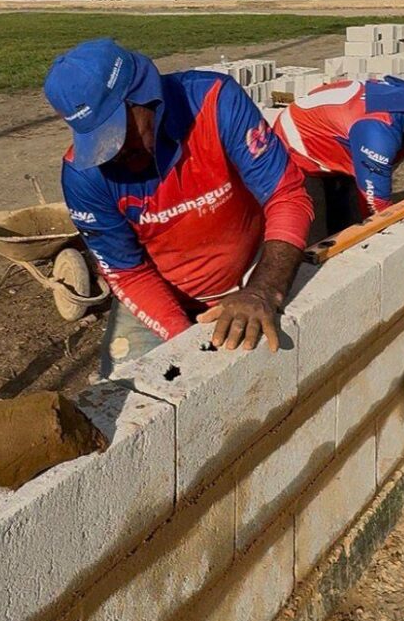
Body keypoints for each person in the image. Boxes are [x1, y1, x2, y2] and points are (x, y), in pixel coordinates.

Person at [43, 39, 313, 378]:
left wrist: (263, 288)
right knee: (131, 405)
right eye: (97, 142)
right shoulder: (84, 177)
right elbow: (127, 271)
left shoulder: (213, 102)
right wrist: (185, 341)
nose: (114, 154)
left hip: (252, 277)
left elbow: (286, 194)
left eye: (118, 134)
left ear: (143, 97)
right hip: (159, 296)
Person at [273, 65, 404, 230]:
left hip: (343, 142)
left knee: (350, 224)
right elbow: (378, 211)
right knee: (316, 242)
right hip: (297, 148)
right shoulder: (378, 129)